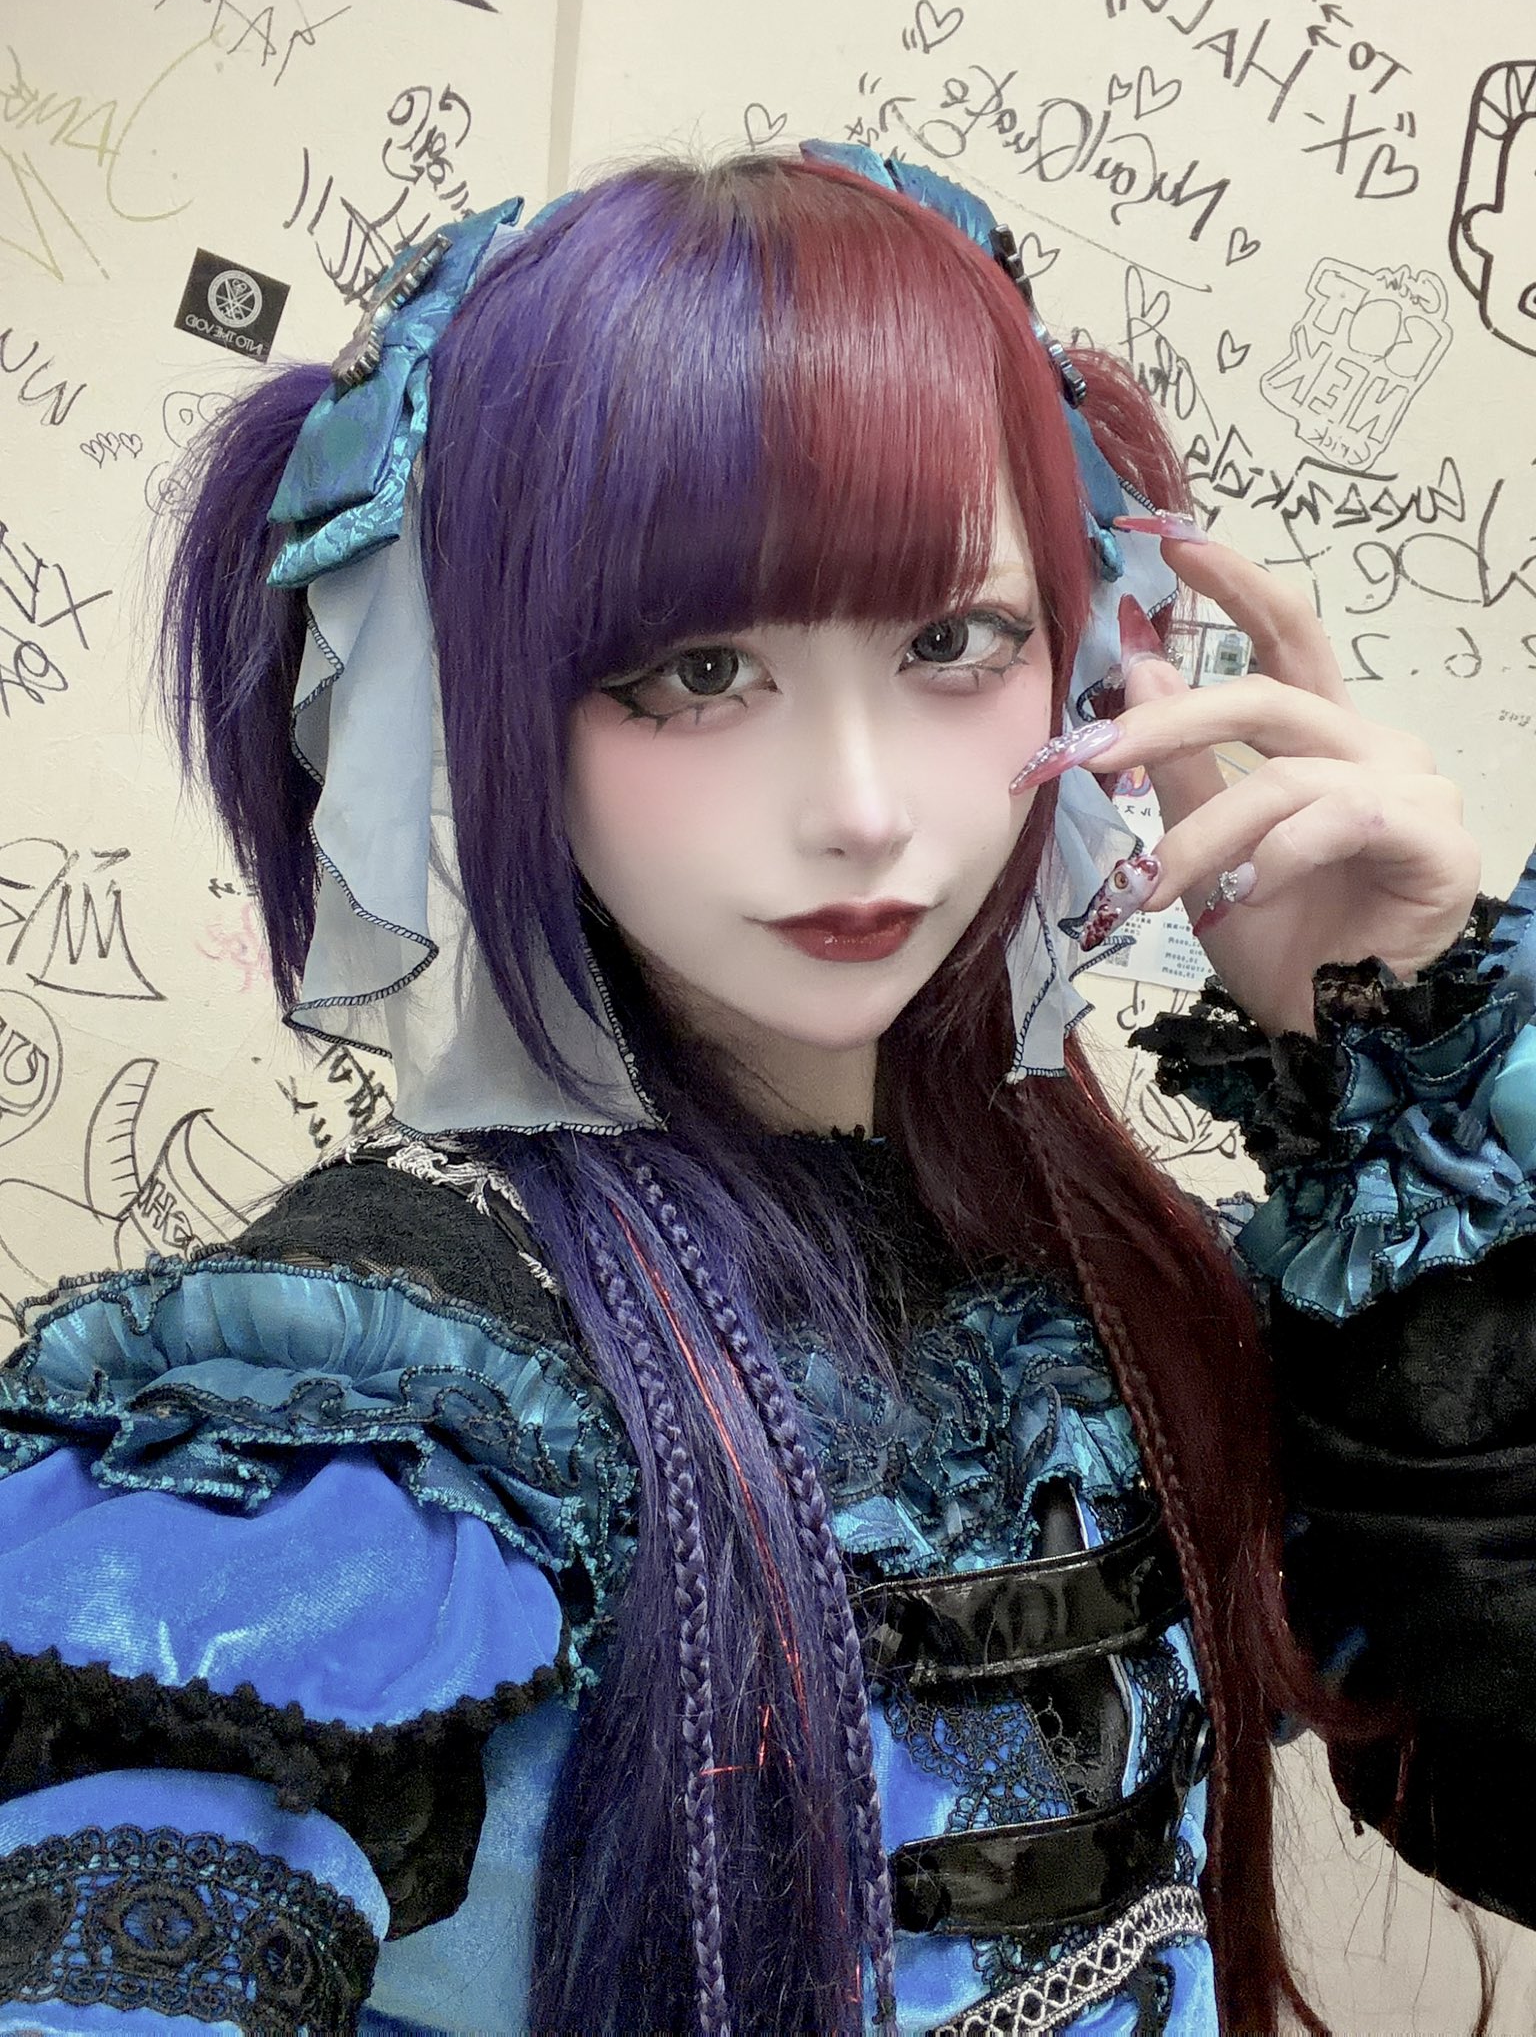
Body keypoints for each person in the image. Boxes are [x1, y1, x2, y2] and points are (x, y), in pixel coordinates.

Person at [0, 140, 1527, 2037]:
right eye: (698, 670)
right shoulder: (390, 1417)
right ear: (494, 710)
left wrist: (1389, 1046)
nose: (864, 808)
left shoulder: (1123, 1286)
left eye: (952, 641)